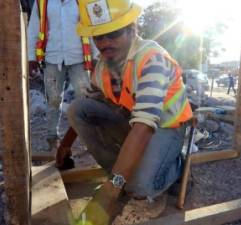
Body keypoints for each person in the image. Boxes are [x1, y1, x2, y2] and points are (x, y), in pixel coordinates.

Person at [67, 0, 193, 224]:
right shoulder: (103, 66)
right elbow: (88, 102)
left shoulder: (151, 59)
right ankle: (121, 175)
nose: (105, 43)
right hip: (132, 121)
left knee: (138, 186)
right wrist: (64, 147)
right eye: (98, 37)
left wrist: (108, 194)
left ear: (132, 30)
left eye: (113, 34)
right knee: (78, 109)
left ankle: (174, 168)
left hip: (166, 127)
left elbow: (144, 127)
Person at [27, 0, 99, 150]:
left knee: (84, 99)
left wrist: (96, 55)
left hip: (78, 57)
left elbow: (92, 28)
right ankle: (52, 139)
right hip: (52, 57)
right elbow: (33, 29)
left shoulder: (81, 2)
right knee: (53, 100)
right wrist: (31, 58)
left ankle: (89, 139)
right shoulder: (42, 3)